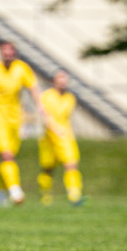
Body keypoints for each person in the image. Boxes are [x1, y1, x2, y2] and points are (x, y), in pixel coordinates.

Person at [0, 40, 47, 205]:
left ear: (14, 52)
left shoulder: (21, 68)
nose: (8, 53)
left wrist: (40, 106)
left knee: (9, 157)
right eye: (5, 50)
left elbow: (33, 87)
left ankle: (1, 192)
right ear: (1, 52)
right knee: (7, 155)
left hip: (16, 119)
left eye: (10, 50)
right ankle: (15, 191)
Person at [37, 70, 84, 206]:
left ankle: (74, 195)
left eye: (65, 79)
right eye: (60, 79)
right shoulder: (46, 96)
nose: (63, 82)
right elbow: (45, 117)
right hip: (49, 137)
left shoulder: (70, 98)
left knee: (71, 164)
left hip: (65, 136)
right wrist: (55, 129)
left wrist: (63, 132)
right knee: (48, 168)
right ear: (54, 81)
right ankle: (45, 195)